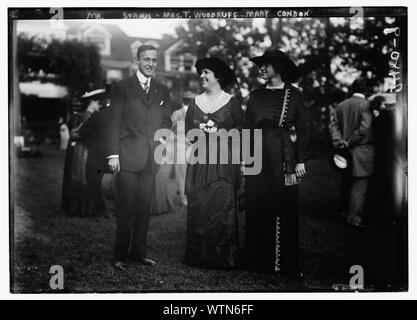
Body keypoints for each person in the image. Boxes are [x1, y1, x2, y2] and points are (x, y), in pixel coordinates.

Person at [104, 44, 172, 270]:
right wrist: (113, 155)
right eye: (146, 59)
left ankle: (138, 253)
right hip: (128, 157)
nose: (151, 63)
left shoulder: (162, 90)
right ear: (137, 60)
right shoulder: (122, 87)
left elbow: (166, 120)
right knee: (127, 207)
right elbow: (113, 122)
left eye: (154, 60)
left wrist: (162, 141)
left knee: (144, 208)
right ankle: (120, 255)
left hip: (151, 159)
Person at [244, 49, 309, 278]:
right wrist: (246, 158)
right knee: (256, 203)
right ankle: (257, 260)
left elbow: (304, 129)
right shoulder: (255, 95)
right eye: (259, 65)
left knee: (284, 206)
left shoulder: (295, 95)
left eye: (266, 64)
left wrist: (300, 160)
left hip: (283, 155)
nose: (261, 68)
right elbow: (247, 128)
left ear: (278, 68)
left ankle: (284, 262)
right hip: (257, 155)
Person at [184, 57, 243, 269]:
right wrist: (199, 132)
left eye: (206, 72)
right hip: (200, 162)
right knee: (200, 205)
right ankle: (199, 257)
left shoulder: (232, 102)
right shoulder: (195, 103)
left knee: (222, 205)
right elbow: (188, 135)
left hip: (224, 162)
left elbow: (241, 132)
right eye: (201, 73)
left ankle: (222, 257)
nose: (202, 76)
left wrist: (221, 133)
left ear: (217, 76)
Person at [329, 79, 374, 227]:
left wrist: (339, 142)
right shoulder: (367, 105)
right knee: (359, 187)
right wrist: (349, 142)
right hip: (361, 152)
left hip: (344, 153)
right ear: (366, 90)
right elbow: (364, 130)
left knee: (346, 182)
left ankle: (343, 212)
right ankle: (354, 219)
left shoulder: (341, 105)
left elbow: (333, 126)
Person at [78, 88, 111, 217]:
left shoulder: (97, 115)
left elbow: (84, 132)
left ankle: (96, 208)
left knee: (93, 180)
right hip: (106, 151)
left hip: (94, 151)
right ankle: (101, 208)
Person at [62, 98, 93, 216]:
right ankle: (76, 207)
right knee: (79, 176)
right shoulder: (78, 118)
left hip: (77, 148)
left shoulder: (78, 117)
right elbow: (75, 133)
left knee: (76, 176)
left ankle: (74, 206)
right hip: (79, 148)